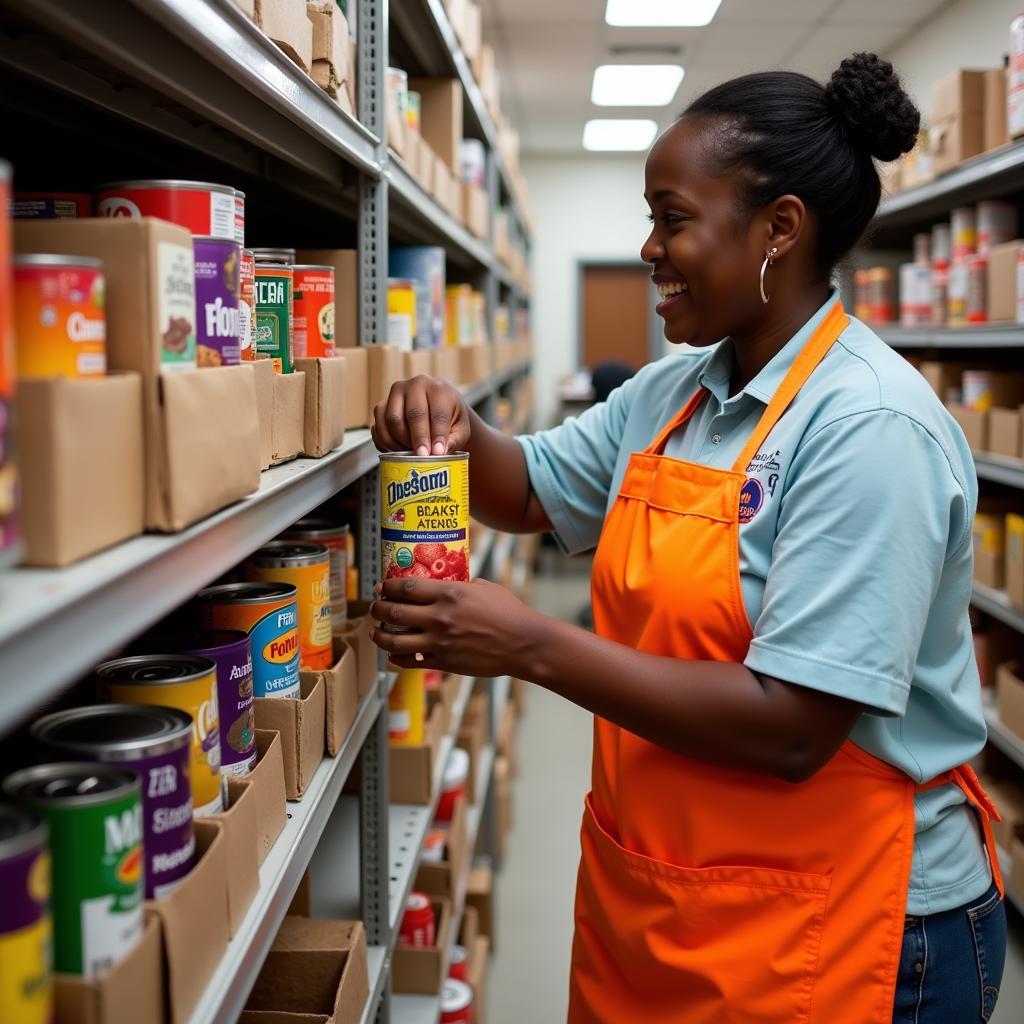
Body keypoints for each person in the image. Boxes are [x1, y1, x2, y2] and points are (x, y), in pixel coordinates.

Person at [369, 53, 1008, 1023]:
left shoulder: (868, 426)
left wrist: (530, 644)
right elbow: (534, 489)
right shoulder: (674, 394)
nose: (648, 248)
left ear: (777, 229)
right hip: (671, 892)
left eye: (672, 218)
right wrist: (455, 426)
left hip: (855, 925)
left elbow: (794, 725)